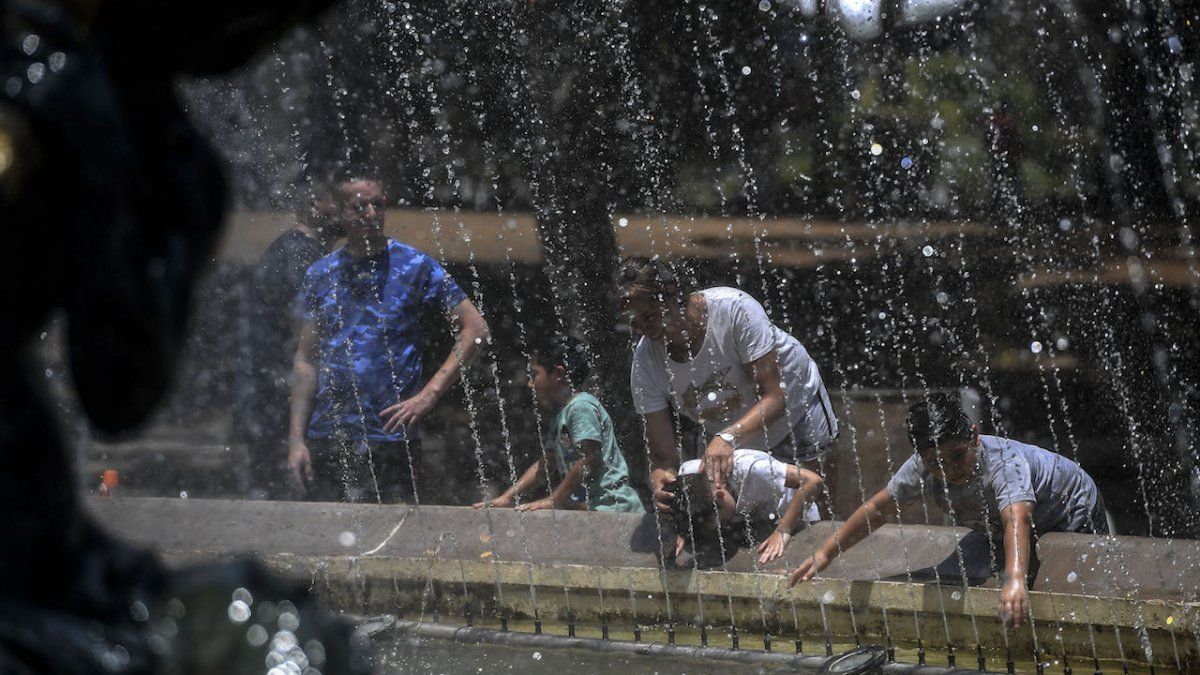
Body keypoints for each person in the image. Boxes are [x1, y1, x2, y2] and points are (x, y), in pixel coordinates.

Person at [788, 393, 1108, 629]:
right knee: (960, 576)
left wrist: (1014, 581)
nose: (949, 471)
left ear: (973, 436)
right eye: (935, 463)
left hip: (1070, 506)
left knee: (1074, 586)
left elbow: (1016, 518)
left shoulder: (1003, 463)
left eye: (957, 456)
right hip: (1001, 524)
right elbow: (877, 510)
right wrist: (826, 554)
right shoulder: (921, 470)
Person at [287, 177, 490, 503]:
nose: (371, 213)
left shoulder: (415, 266)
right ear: (338, 212)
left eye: (378, 204)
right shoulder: (321, 274)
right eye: (359, 206)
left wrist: (429, 394)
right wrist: (296, 440)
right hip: (329, 434)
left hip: (393, 435)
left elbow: (476, 330)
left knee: (399, 539)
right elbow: (305, 360)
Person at [619, 257, 838, 517]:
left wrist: (728, 437)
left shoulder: (734, 309)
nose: (644, 329)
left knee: (816, 507)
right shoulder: (645, 364)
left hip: (796, 409)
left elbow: (775, 396)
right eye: (634, 323)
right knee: (733, 517)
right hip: (725, 436)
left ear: (673, 294)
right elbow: (662, 454)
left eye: (649, 317)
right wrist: (660, 478)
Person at [234, 187, 344, 499]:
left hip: (272, 396)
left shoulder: (296, 250)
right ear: (313, 204)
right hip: (281, 397)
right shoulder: (301, 254)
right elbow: (304, 330)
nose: (347, 209)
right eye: (337, 201)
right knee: (292, 493)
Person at [472, 336, 644, 513]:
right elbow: (545, 465)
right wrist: (507, 498)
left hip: (615, 509)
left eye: (534, 374)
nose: (530, 384)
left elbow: (588, 458)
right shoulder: (562, 413)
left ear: (558, 374)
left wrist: (553, 500)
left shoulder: (581, 407)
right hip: (595, 509)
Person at [671, 449, 823, 566]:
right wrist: (685, 530)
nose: (722, 526)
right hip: (755, 521)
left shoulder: (753, 470)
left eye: (721, 522)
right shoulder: (687, 474)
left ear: (720, 495)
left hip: (793, 514)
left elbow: (813, 481)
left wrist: (784, 529)